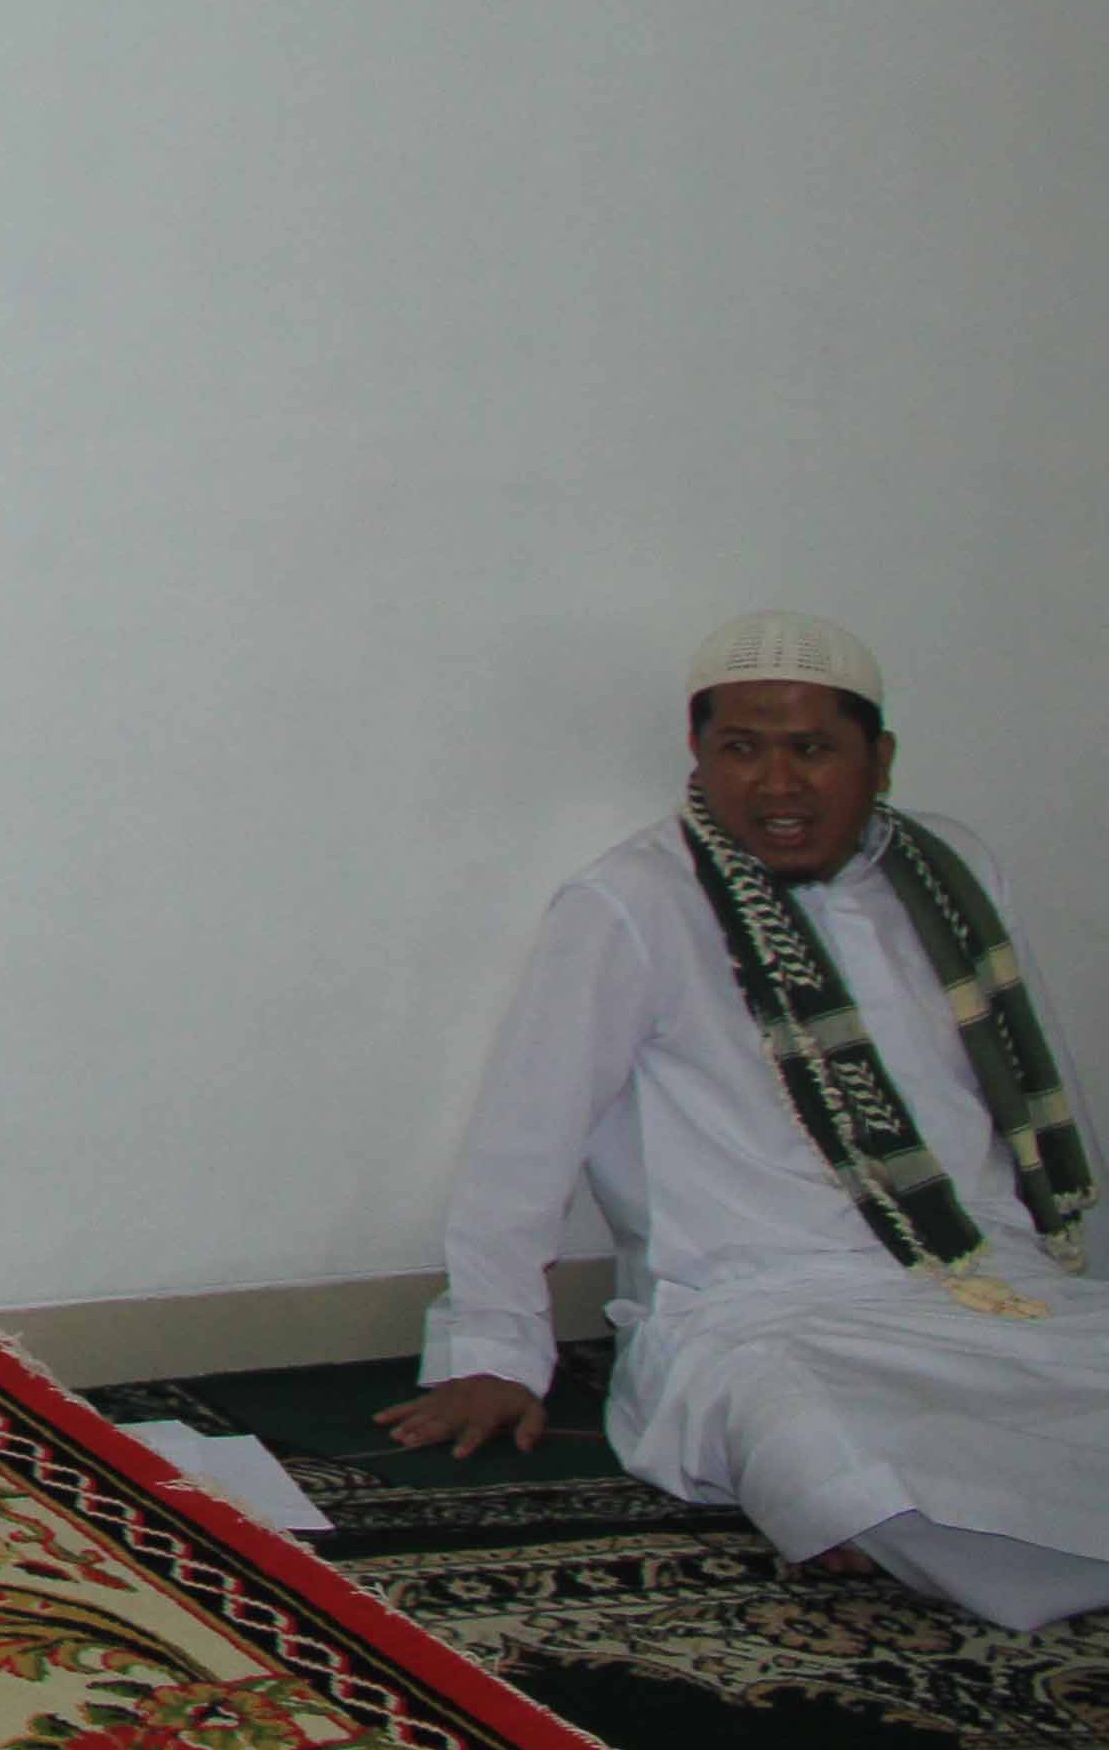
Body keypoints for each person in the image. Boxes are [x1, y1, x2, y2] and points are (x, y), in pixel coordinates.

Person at [384, 613, 1106, 1632]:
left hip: (992, 1287)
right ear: (699, 754)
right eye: (741, 749)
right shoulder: (634, 902)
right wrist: (492, 1354)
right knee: (828, 1449)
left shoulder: (953, 878)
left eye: (812, 750)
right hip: (766, 1313)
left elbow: (1038, 1085)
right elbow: (525, 1141)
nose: (776, 785)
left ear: (880, 759)